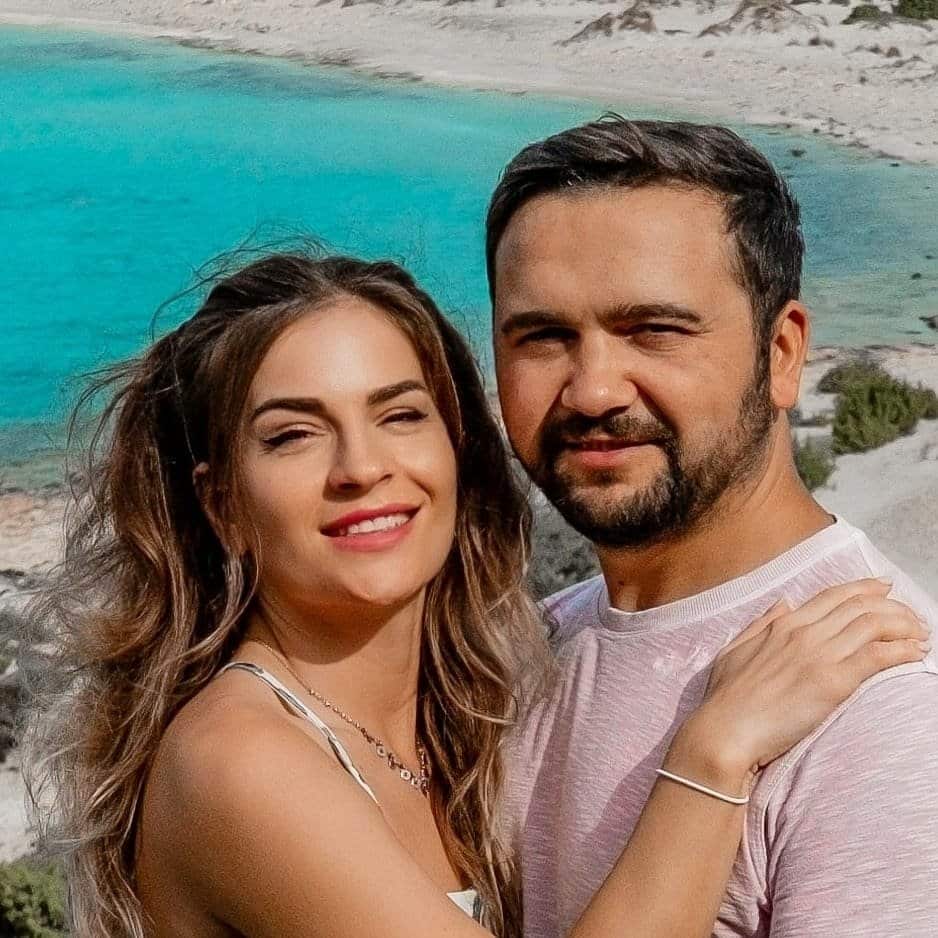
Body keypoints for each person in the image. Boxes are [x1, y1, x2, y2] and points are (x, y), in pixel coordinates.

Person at [25, 253, 926, 938]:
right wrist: (715, 754)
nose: (363, 468)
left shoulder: (480, 707)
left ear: (458, 446)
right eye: (295, 435)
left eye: (400, 414)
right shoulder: (241, 761)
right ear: (222, 500)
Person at [487, 115, 938, 938]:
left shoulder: (881, 707)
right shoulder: (535, 645)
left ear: (782, 354)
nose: (593, 391)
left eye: (653, 330)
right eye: (543, 336)